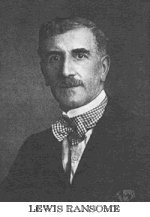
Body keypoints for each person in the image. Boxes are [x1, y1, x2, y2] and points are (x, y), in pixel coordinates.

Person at [0, 17, 150, 202]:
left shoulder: (144, 136)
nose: (65, 71)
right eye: (54, 58)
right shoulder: (33, 149)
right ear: (43, 72)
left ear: (103, 68)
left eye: (79, 55)